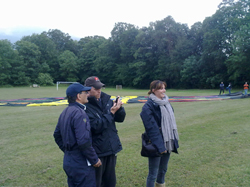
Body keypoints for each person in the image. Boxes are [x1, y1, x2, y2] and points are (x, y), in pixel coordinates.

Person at [53, 83, 102, 187]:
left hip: (69, 160)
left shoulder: (65, 111)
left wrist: (68, 151)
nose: (88, 94)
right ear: (79, 96)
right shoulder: (79, 113)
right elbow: (83, 141)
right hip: (80, 163)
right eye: (85, 92)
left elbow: (57, 135)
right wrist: (94, 159)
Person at [84, 76, 126, 187]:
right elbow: (96, 127)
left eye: (100, 87)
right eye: (96, 88)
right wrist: (111, 113)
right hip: (98, 151)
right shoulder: (85, 106)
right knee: (97, 183)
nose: (99, 90)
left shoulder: (107, 100)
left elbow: (120, 119)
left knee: (110, 182)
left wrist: (119, 108)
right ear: (88, 89)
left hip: (111, 148)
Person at [140, 80, 179, 187]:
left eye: (164, 88)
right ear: (153, 90)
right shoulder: (147, 107)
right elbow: (151, 129)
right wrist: (160, 147)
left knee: (163, 169)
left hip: (168, 140)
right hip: (155, 143)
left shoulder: (166, 102)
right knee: (153, 173)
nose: (164, 90)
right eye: (161, 88)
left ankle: (160, 184)